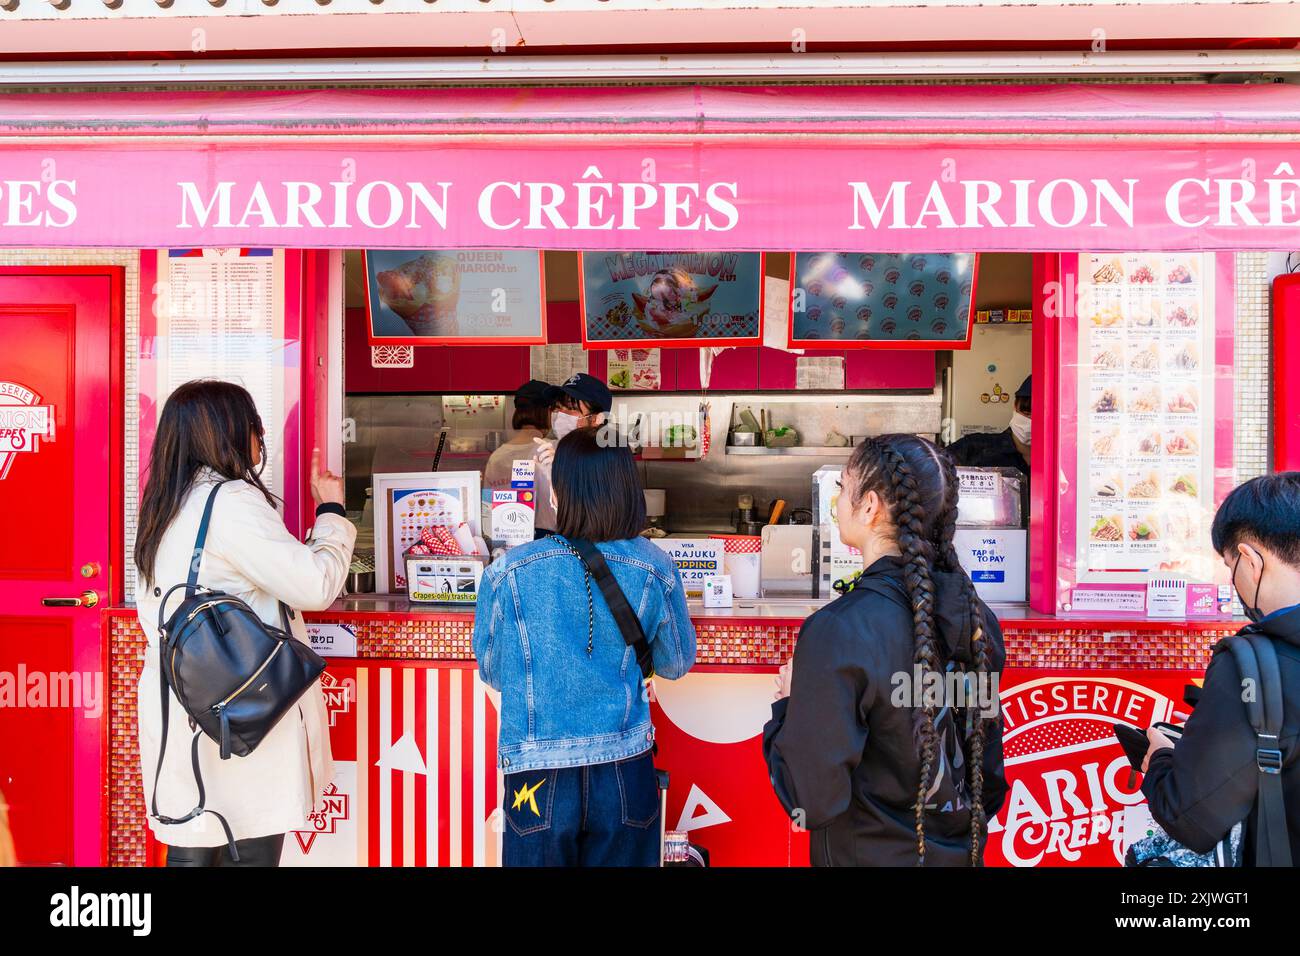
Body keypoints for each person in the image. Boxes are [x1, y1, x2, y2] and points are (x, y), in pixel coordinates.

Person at [134, 380, 356, 867]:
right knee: (248, 839)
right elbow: (316, 584)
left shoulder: (165, 504)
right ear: (233, 433)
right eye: (254, 425)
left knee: (197, 835)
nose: (260, 438)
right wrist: (332, 512)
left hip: (185, 698)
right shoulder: (231, 500)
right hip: (242, 706)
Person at [763, 433, 1007, 866]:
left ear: (871, 505)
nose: (838, 501)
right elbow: (986, 786)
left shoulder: (839, 629)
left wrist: (788, 707)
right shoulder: (977, 620)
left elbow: (811, 801)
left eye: (842, 488)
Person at [472, 426, 696, 866]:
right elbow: (675, 664)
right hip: (624, 769)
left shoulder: (509, 572)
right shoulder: (654, 564)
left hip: (537, 774)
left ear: (557, 496)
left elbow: (495, 673)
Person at [1141, 472, 1300, 865]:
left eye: (1230, 565)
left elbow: (1191, 818)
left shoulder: (1253, 667)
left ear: (1249, 560)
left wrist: (1160, 758)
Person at [531, 372, 613, 538]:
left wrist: (564, 472)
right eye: (559, 408)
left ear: (598, 418)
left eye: (572, 409)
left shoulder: (609, 457)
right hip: (546, 538)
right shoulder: (547, 449)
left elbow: (598, 518)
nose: (561, 414)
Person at [947, 374, 1032, 477]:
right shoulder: (973, 448)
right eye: (1027, 413)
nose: (1031, 421)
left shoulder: (1056, 461)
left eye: (1041, 416)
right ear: (1015, 405)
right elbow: (932, 469)